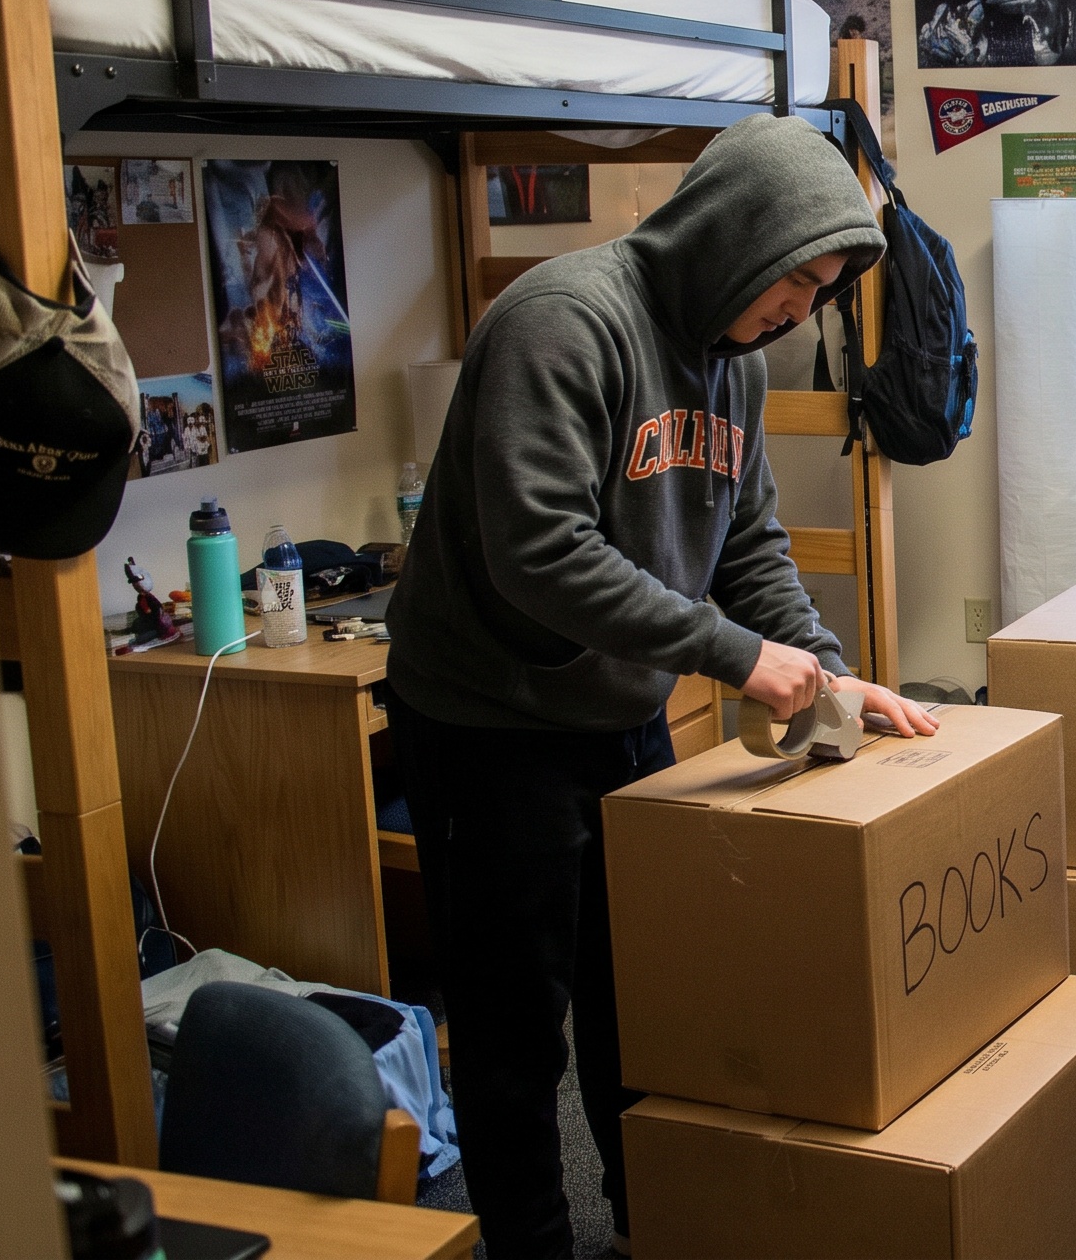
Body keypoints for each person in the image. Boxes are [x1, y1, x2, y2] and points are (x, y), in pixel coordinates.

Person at [385, 114, 942, 1257]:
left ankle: (659, 1227)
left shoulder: (728, 365)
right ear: (736, 237)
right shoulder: (560, 321)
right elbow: (537, 550)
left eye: (820, 293)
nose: (800, 313)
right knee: (513, 1031)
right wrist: (734, 655)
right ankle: (531, 1247)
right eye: (795, 281)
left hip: (622, 717)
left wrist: (829, 674)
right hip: (492, 728)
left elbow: (748, 546)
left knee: (642, 1012)